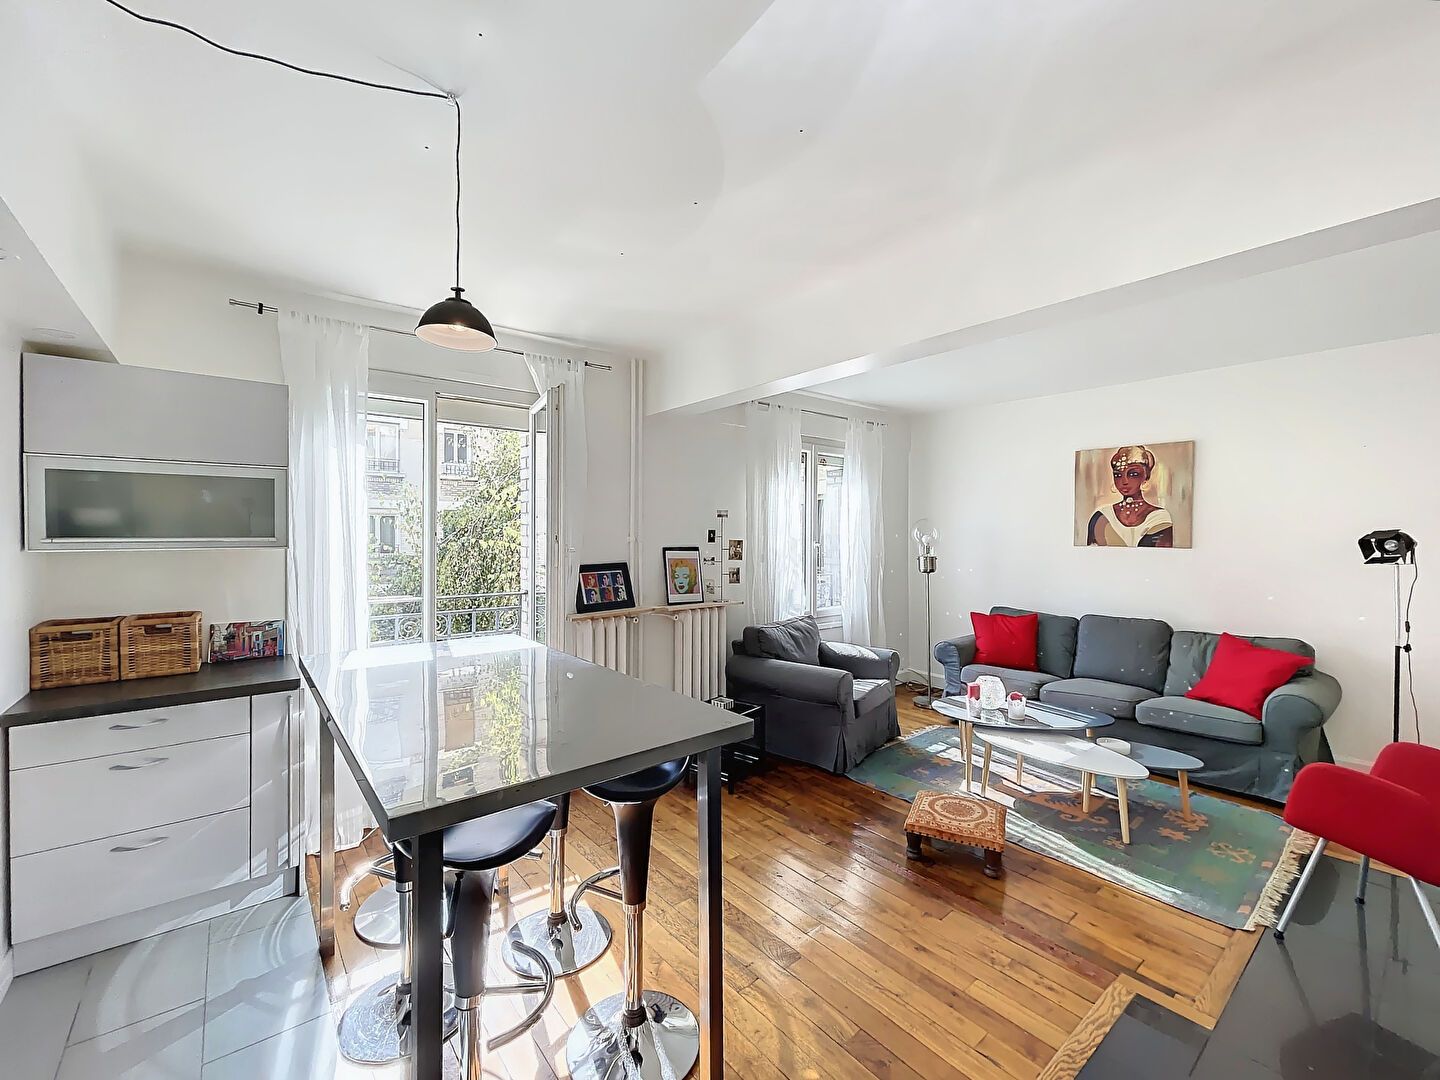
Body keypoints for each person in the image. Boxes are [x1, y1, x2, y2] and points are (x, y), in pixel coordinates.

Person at [1086, 445, 1174, 547]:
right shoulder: (1102, 516)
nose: (1124, 481)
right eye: (1118, 475)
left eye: (1133, 474)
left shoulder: (1159, 517)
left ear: (1146, 476)